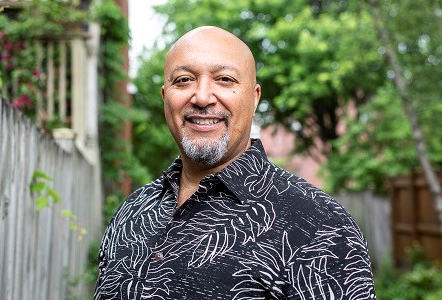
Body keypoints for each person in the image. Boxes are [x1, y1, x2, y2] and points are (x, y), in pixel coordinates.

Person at [94, 26, 376, 299]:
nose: (202, 97)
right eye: (184, 80)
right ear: (165, 96)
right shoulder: (131, 212)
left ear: (254, 99)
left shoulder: (321, 225)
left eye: (225, 80)